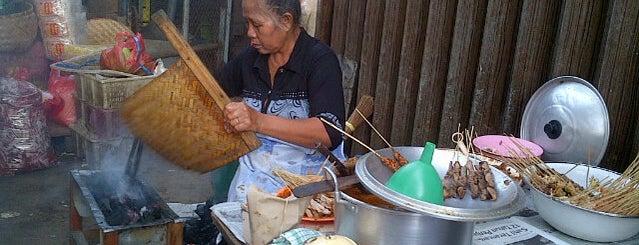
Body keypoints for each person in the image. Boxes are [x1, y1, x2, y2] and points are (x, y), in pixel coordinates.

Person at [214, 0, 345, 203]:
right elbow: (213, 89)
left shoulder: (319, 61)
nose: (249, 32)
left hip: (304, 196)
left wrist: (258, 121)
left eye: (257, 25)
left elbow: (329, 132)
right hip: (248, 193)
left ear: (285, 21)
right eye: (247, 23)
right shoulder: (250, 60)